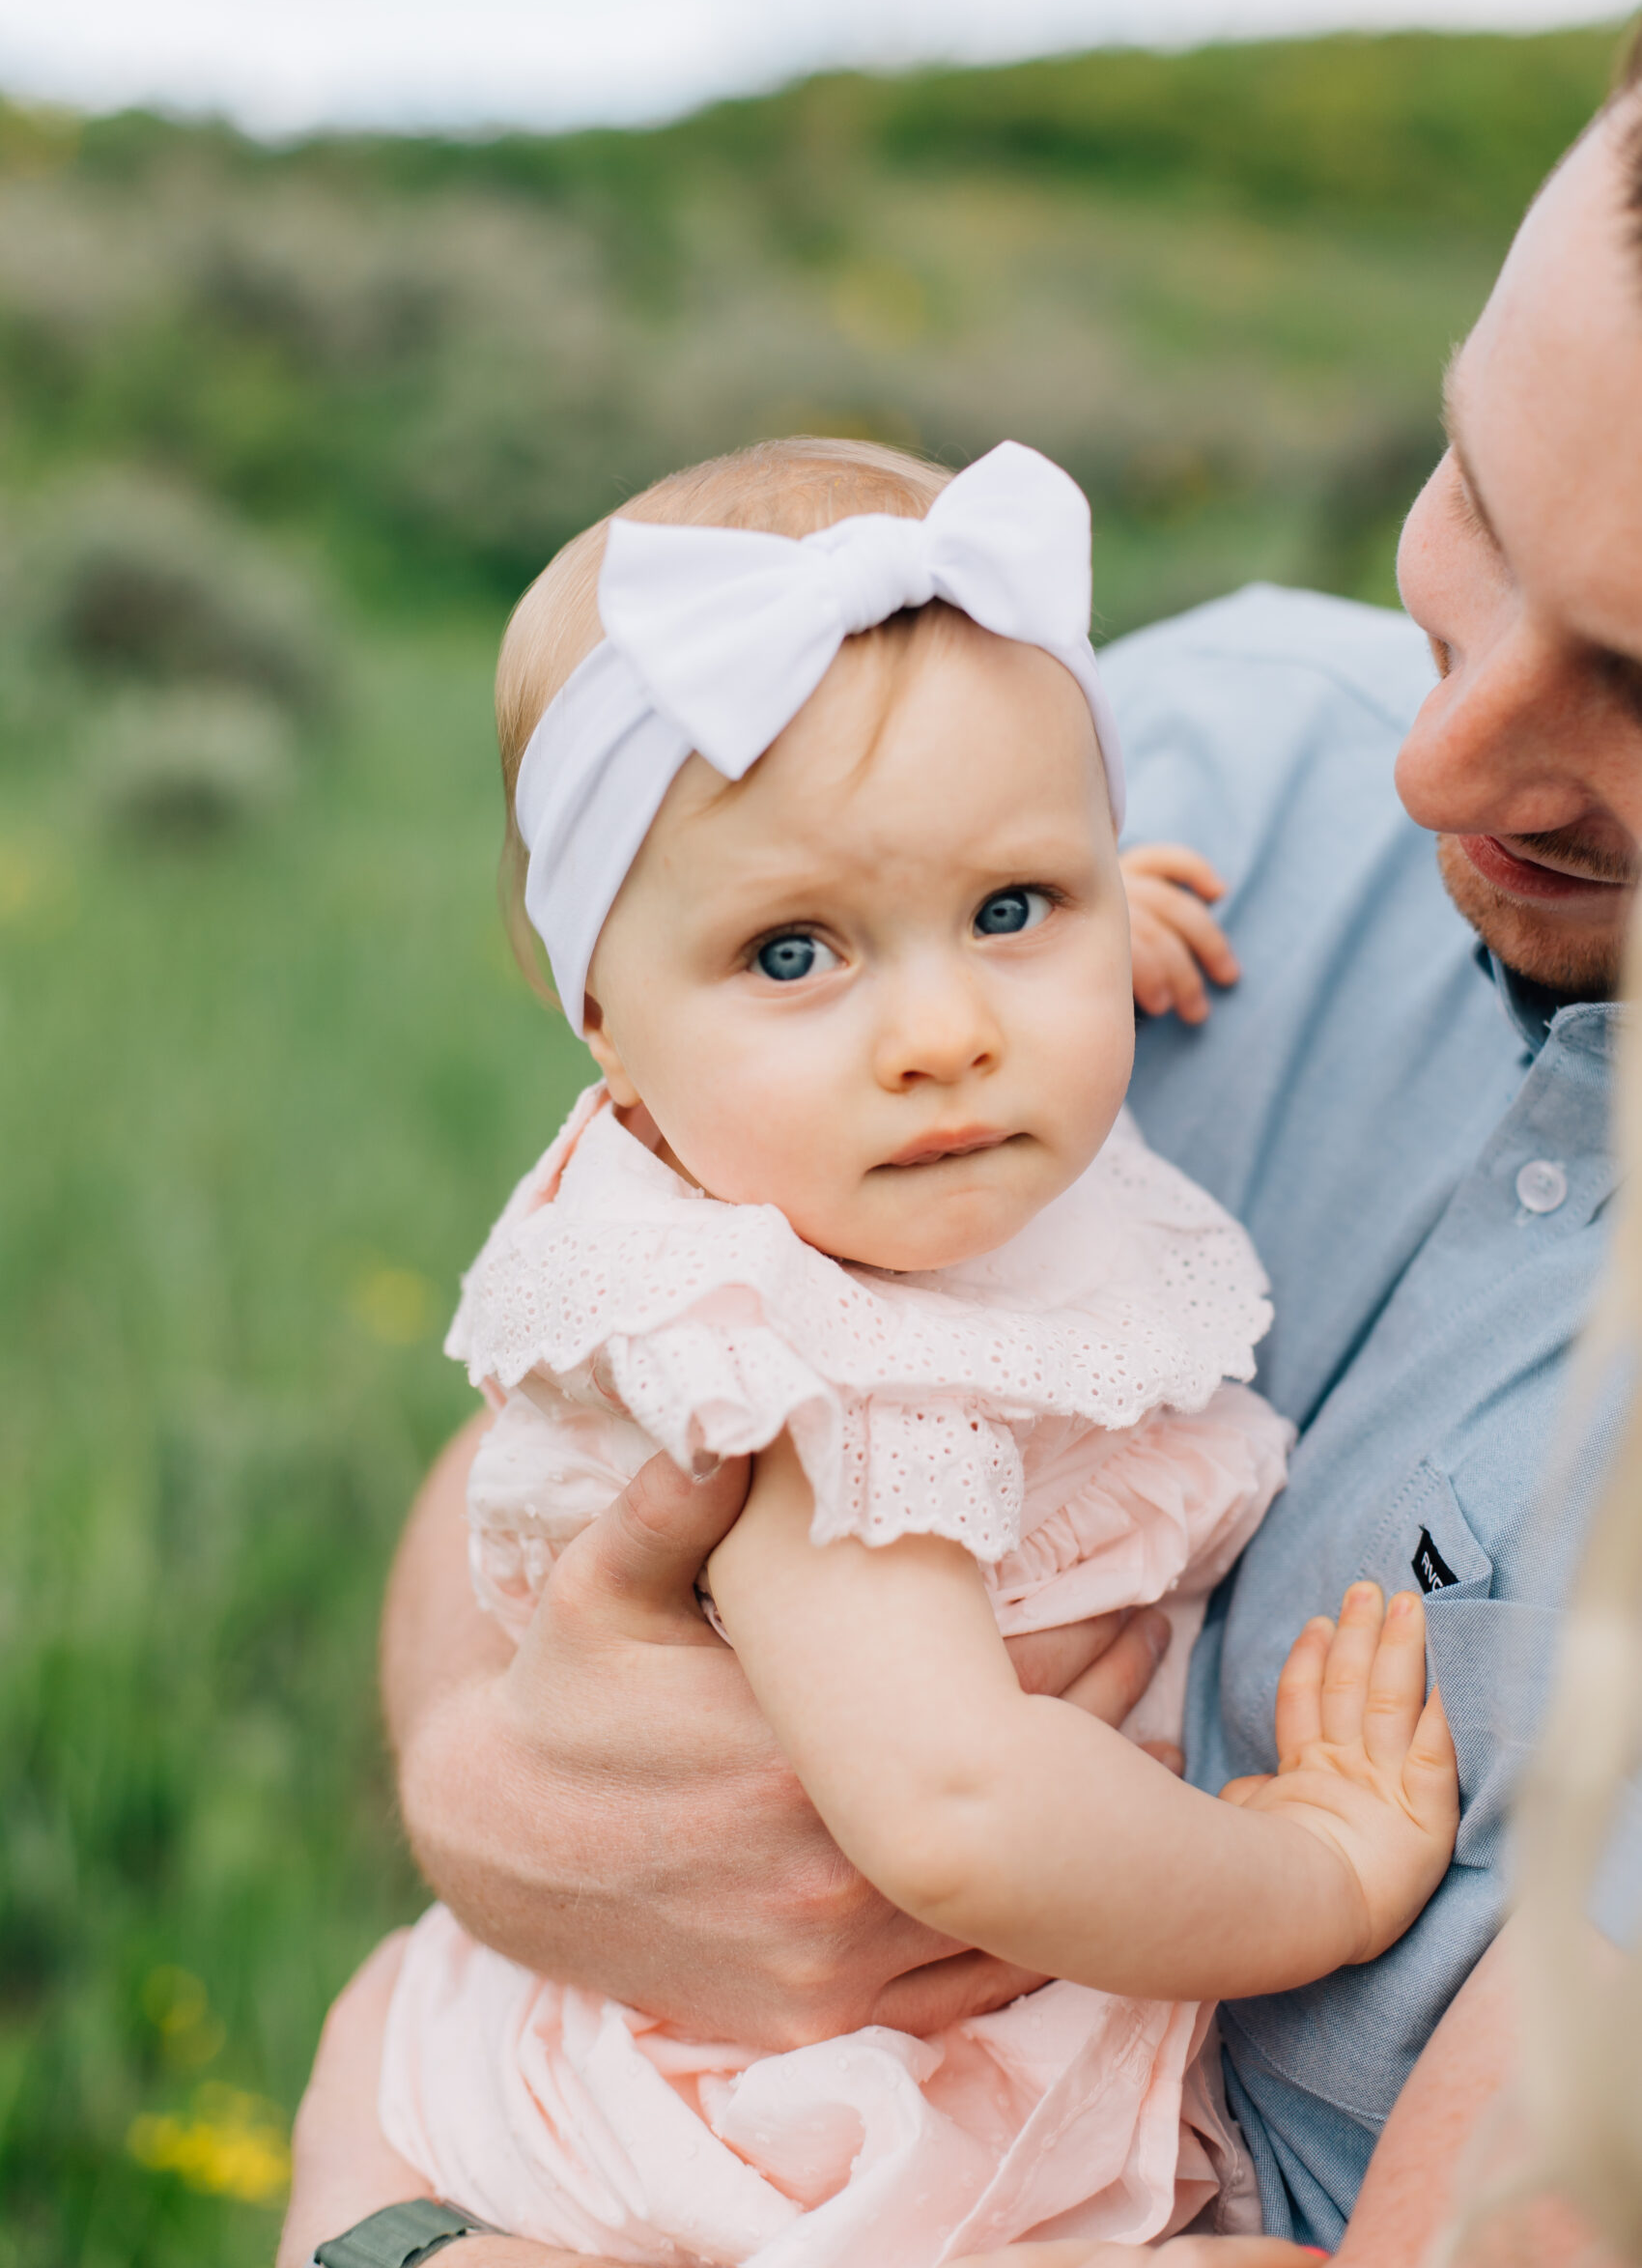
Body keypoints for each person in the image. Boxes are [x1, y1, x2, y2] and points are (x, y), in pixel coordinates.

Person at [281, 43, 1642, 2268]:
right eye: (1475, 495)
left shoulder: (1052, 843)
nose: (1438, 757)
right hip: (789, 2143)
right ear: (605, 1047)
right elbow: (544, 1511)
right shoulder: (1128, 759)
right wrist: (501, 1787)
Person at [330, 435, 1459, 2266]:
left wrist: (1094, 921)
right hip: (806, 2117)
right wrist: (1317, 1876)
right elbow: (953, 1809)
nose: (943, 1032)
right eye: (796, 953)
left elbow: (950, 915)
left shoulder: (856, 1146)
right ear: (602, 1024)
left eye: (1012, 908)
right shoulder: (808, 1370)